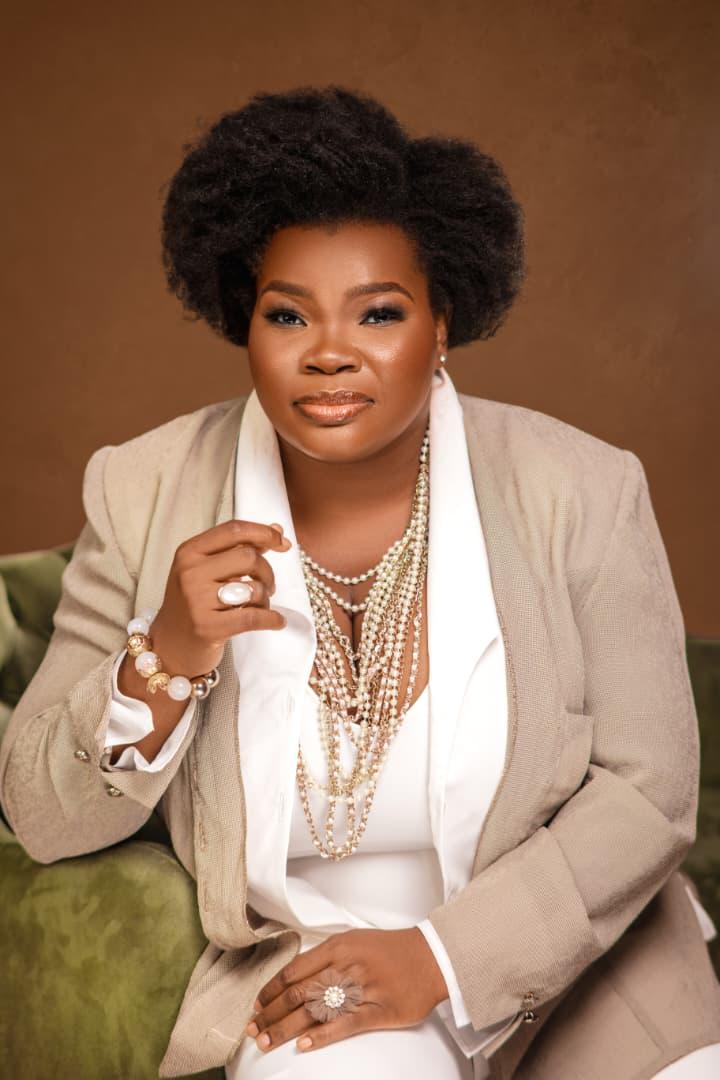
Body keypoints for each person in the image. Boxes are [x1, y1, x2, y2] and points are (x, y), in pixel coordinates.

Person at [1, 84, 719, 1080]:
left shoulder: (583, 488)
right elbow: (42, 817)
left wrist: (442, 959)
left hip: (577, 955)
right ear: (243, 322)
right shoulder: (145, 488)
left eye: (378, 312)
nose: (330, 353)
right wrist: (166, 656)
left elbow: (651, 790)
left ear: (443, 323)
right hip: (315, 963)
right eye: (287, 314)